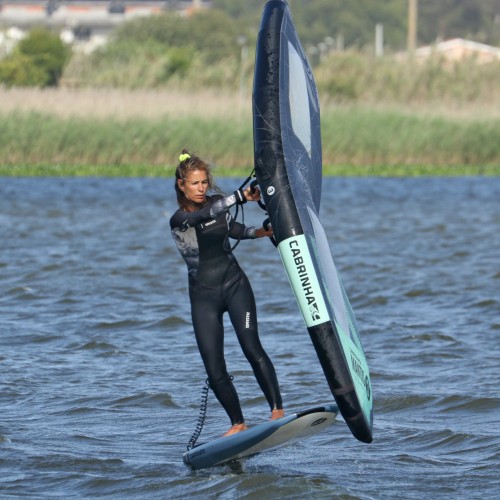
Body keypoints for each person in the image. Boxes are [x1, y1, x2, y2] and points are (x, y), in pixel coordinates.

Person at [170, 150, 284, 437]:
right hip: (204, 298)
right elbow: (205, 216)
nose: (201, 189)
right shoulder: (180, 219)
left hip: (235, 287)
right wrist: (239, 196)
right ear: (182, 185)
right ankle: (238, 423)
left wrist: (262, 232)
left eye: (204, 182)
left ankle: (276, 411)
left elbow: (234, 229)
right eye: (195, 184)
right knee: (214, 366)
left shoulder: (217, 205)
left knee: (251, 347)